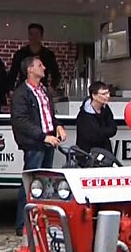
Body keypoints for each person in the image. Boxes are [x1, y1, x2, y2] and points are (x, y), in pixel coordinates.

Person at [11, 55, 67, 236]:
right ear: (30, 69)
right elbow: (21, 121)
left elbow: (49, 114)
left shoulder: (43, 90)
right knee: (30, 183)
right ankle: (23, 223)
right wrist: (43, 137)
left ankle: (41, 220)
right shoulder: (21, 93)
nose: (44, 67)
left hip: (47, 140)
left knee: (45, 183)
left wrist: (58, 126)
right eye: (40, 65)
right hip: (34, 143)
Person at [7, 23, 61, 93]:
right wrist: (10, 89)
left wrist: (52, 87)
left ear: (41, 37)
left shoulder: (48, 55)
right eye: (31, 34)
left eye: (36, 35)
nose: (33, 37)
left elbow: (56, 74)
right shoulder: (20, 54)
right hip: (24, 90)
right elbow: (13, 73)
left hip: (41, 89)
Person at [75, 81, 116, 153]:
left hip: (105, 152)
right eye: (104, 94)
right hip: (87, 154)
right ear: (94, 96)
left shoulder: (106, 109)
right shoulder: (85, 115)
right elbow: (92, 137)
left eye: (108, 93)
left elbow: (113, 129)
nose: (108, 96)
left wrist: (101, 132)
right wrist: (105, 132)